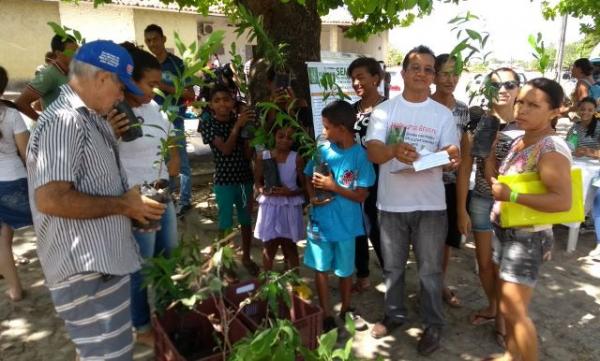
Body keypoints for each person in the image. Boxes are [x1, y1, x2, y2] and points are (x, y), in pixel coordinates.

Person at [27, 40, 166, 360]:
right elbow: (51, 199)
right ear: (102, 77)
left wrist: (128, 205)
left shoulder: (88, 118)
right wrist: (123, 205)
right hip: (87, 275)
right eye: (120, 86)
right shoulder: (64, 121)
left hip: (99, 268)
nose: (122, 97)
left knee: (98, 354)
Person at [365, 45, 460, 356]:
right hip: (391, 205)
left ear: (433, 77)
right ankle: (394, 315)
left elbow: (450, 154)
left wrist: (450, 160)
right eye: (416, 67)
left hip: (431, 205)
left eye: (428, 69)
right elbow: (374, 152)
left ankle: (433, 324)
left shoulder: (442, 114)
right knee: (392, 268)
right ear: (404, 72)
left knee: (430, 271)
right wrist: (394, 150)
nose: (422, 73)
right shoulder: (384, 111)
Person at [487, 78, 572, 361]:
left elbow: (562, 200)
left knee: (515, 310)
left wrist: (510, 197)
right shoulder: (523, 138)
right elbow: (510, 181)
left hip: (526, 237)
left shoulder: (550, 148)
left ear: (554, 112)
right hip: (508, 231)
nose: (521, 109)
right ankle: (512, 356)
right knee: (508, 307)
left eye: (533, 105)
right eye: (521, 101)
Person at [108, 43, 181, 347]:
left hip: (162, 194)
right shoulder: (114, 114)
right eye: (149, 83)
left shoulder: (154, 108)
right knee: (142, 267)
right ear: (127, 80)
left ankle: (166, 315)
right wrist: (109, 132)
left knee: (168, 258)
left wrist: (173, 162)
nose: (154, 89)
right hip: (137, 200)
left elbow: (169, 140)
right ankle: (142, 326)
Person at [457, 67, 522, 346]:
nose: (504, 89)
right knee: (485, 264)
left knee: (507, 266)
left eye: (510, 83)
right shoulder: (477, 124)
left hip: (514, 205)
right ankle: (494, 307)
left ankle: (502, 319)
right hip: (482, 201)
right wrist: (461, 208)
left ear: (519, 88)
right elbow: (464, 169)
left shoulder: (529, 123)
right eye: (496, 85)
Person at [303, 99, 375, 332]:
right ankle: (324, 312)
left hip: (347, 226)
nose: (323, 132)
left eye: (326, 127)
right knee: (321, 269)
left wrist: (333, 187)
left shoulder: (361, 157)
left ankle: (345, 309)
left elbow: (361, 196)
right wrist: (312, 195)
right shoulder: (321, 151)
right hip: (320, 224)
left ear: (341, 129)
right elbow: (307, 176)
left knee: (345, 271)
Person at [197, 84, 259, 276]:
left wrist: (250, 133)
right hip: (224, 181)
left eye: (226, 99)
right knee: (225, 223)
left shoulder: (240, 120)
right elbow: (225, 149)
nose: (222, 104)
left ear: (233, 102)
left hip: (243, 179)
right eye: (217, 100)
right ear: (211, 105)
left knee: (245, 220)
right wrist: (238, 126)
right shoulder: (208, 124)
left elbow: (248, 154)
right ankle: (225, 262)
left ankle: (247, 257)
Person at [430, 54, 470, 308]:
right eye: (445, 73)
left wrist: (462, 206)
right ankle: (426, 287)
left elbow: (465, 159)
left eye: (455, 74)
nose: (450, 79)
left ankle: (439, 284)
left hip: (450, 185)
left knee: (445, 241)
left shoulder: (463, 110)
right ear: (434, 75)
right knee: (424, 240)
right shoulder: (423, 104)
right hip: (423, 183)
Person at [144, 24, 195, 217]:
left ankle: (184, 201)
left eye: (155, 39)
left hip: (175, 119)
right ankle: (167, 198)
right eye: (148, 40)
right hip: (152, 120)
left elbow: (190, 93)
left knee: (180, 162)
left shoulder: (177, 64)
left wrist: (165, 86)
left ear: (164, 39)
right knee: (159, 162)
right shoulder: (147, 65)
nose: (152, 43)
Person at [346, 56, 387, 293]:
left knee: (375, 226)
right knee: (356, 227)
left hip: (381, 177)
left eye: (360, 77)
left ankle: (391, 273)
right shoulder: (352, 110)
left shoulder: (389, 108)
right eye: (353, 79)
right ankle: (362, 275)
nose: (356, 83)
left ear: (375, 78)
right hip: (354, 177)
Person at [253, 125, 305, 271]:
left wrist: (290, 193)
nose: (284, 140)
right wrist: (263, 190)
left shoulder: (297, 158)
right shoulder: (263, 156)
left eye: (289, 138)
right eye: (280, 136)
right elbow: (257, 181)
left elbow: (304, 187)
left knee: (290, 245)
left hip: (289, 206)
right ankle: (267, 281)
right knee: (269, 245)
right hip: (270, 206)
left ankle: (296, 283)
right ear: (274, 137)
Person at [0, 66, 31, 302]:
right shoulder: (11, 115)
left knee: (2, 238)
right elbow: (26, 153)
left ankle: (15, 290)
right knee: (45, 227)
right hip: (13, 180)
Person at [15, 34, 78, 120]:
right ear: (58, 54)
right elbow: (21, 102)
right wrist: (43, 123)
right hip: (59, 130)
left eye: (78, 50)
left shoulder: (73, 71)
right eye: (72, 52)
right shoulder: (48, 74)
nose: (78, 55)